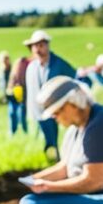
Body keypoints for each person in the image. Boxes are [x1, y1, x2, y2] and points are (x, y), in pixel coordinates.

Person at [24, 30, 76, 159]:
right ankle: (49, 157)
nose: (37, 49)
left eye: (41, 45)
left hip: (58, 110)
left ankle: (63, 159)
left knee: (61, 139)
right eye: (35, 46)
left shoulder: (60, 64)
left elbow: (74, 81)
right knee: (45, 139)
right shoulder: (31, 67)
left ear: (47, 45)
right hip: (38, 111)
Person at [7, 56, 31, 135]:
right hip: (13, 97)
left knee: (21, 115)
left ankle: (25, 131)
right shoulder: (13, 75)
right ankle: (12, 132)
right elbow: (9, 85)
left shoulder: (26, 74)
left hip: (22, 97)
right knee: (12, 114)